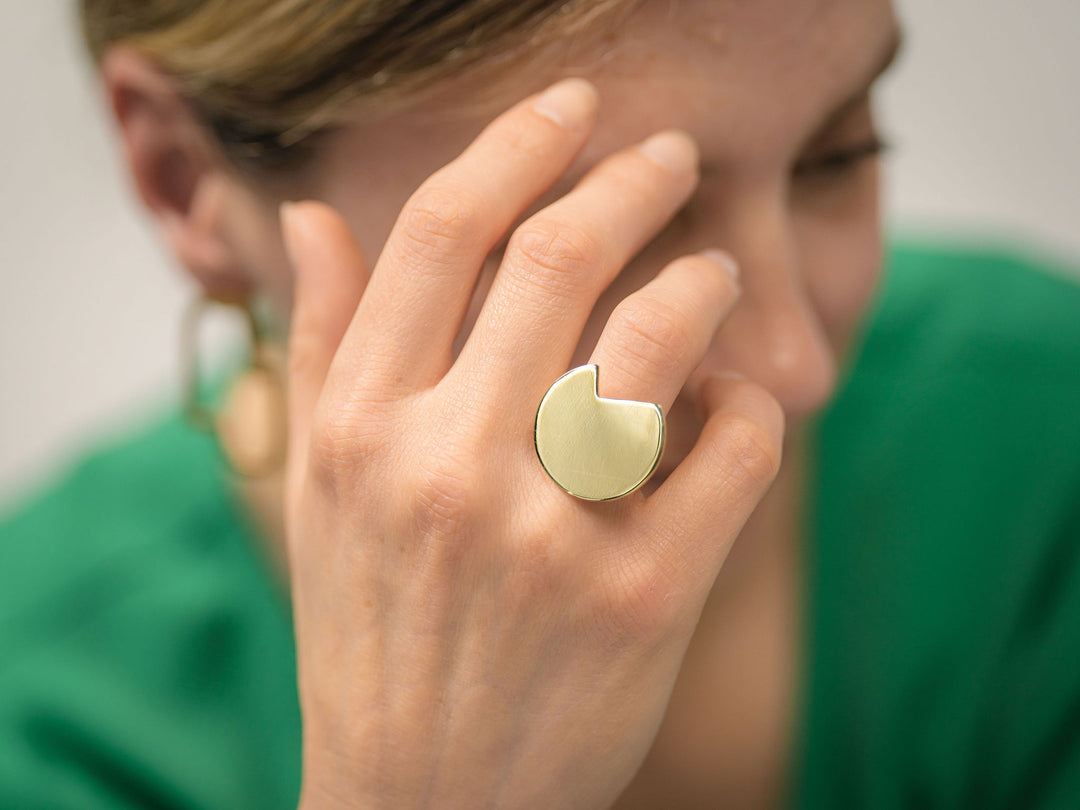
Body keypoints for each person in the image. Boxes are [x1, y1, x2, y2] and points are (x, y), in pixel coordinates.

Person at [2, 0, 1079, 807]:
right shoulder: (49, 709)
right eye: (606, 225)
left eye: (840, 157)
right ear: (183, 176)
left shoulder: (1039, 443)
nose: (798, 370)